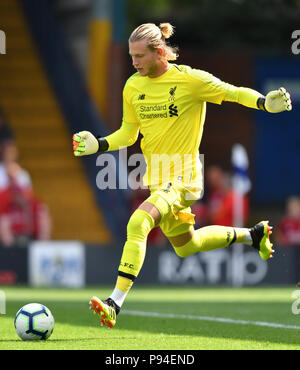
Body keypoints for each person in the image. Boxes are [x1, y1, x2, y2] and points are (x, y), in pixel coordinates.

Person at [72, 23, 292, 328]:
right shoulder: (133, 87)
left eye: (139, 56)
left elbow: (233, 92)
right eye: (131, 55)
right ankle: (252, 235)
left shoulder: (191, 80)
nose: (133, 62)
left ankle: (114, 303)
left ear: (159, 52)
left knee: (138, 222)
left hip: (185, 179)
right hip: (159, 182)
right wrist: (99, 144)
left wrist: (264, 103)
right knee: (187, 246)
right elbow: (128, 133)